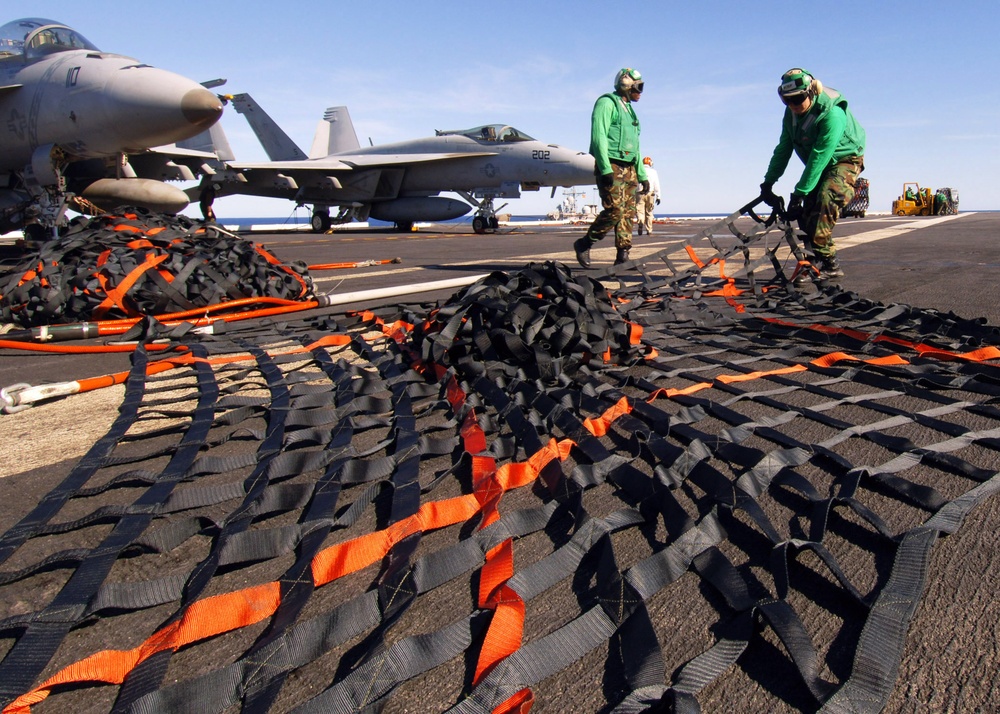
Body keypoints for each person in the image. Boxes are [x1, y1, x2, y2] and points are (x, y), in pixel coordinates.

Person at [759, 68, 865, 281]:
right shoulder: (791, 113)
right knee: (806, 214)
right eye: (787, 101)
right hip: (819, 162)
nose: (794, 106)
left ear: (811, 92)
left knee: (826, 200)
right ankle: (812, 262)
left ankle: (829, 262)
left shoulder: (832, 113)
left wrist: (800, 192)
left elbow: (820, 154)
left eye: (798, 99)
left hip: (844, 160)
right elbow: (784, 148)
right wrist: (768, 183)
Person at [574, 68, 649, 268]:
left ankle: (623, 255)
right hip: (612, 164)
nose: (641, 92)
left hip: (630, 167)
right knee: (615, 210)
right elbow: (599, 136)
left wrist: (642, 174)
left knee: (628, 212)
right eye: (638, 87)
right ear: (626, 85)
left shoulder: (630, 110)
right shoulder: (607, 103)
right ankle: (585, 243)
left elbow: (636, 145)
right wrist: (605, 168)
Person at [635, 156, 661, 235]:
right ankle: (649, 230)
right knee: (649, 212)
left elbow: (635, 183)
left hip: (639, 193)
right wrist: (658, 196)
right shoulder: (653, 172)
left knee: (640, 210)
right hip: (650, 193)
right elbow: (656, 184)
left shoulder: (638, 171)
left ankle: (640, 222)